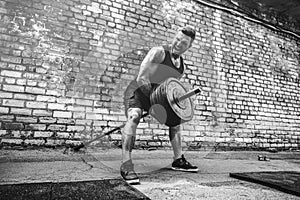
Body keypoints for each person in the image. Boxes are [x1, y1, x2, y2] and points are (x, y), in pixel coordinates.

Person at [121, 26, 198, 184]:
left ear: (189, 46)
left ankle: (178, 160)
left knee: (176, 122)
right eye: (177, 39)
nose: (178, 44)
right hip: (140, 91)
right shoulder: (159, 52)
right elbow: (142, 77)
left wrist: (170, 104)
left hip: (158, 96)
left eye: (183, 43)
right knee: (134, 116)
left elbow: (170, 88)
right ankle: (126, 164)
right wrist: (155, 102)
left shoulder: (181, 66)